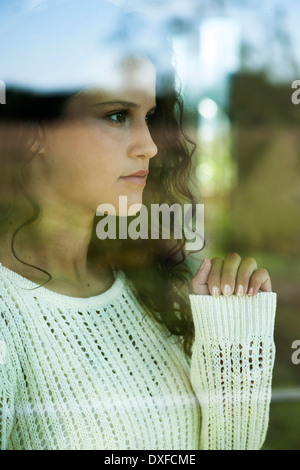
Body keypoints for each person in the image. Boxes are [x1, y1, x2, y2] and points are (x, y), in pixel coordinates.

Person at [0, 0, 276, 450]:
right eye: (116, 115)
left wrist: (232, 347)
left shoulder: (141, 285)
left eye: (149, 117)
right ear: (33, 130)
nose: (149, 145)